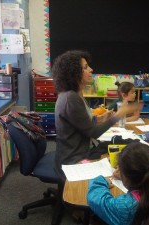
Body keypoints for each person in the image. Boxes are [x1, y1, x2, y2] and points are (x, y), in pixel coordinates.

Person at [52, 50, 139, 180]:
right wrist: (118, 115)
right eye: (85, 67)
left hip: (80, 150)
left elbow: (81, 123)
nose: (91, 69)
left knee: (128, 144)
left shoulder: (73, 94)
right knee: (121, 163)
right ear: (73, 73)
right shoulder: (70, 98)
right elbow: (93, 133)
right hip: (74, 158)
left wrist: (99, 118)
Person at [87, 142, 149, 225]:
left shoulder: (126, 206)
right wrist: (128, 175)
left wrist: (100, 181)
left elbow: (96, 199)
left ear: (126, 177)